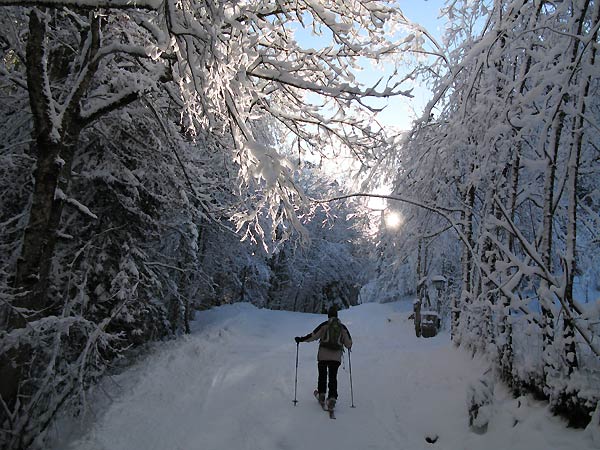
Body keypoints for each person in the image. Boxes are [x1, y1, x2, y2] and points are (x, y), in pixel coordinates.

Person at [295, 305, 352, 411]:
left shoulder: (324, 325)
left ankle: (321, 395)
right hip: (336, 357)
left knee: (322, 375)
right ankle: (332, 398)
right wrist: (348, 346)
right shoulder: (342, 327)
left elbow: (313, 336)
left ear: (328, 315)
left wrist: (301, 339)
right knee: (333, 377)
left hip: (323, 356)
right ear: (337, 315)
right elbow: (348, 343)